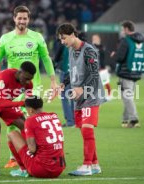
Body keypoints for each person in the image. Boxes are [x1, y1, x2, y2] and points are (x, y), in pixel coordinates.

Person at [0, 5, 58, 168]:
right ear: (14, 19)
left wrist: (53, 81)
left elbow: (46, 59)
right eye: (19, 18)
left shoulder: (37, 37)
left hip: (34, 86)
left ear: (29, 19)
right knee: (12, 120)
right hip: (12, 88)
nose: (22, 21)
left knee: (33, 119)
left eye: (25, 18)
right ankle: (15, 157)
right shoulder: (5, 38)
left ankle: (38, 153)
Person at [56, 23, 106, 176]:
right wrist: (63, 85)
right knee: (84, 131)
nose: (62, 42)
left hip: (91, 95)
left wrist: (83, 89)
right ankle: (95, 164)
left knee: (87, 129)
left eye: (63, 38)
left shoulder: (89, 50)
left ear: (72, 34)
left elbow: (94, 74)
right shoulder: (71, 50)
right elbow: (72, 73)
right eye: (60, 39)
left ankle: (87, 166)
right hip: (79, 97)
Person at [0, 61, 36, 177]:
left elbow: (28, 102)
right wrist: (22, 103)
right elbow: (0, 103)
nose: (27, 82)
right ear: (20, 72)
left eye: (29, 79)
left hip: (8, 103)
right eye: (26, 78)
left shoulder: (28, 84)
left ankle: (24, 167)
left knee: (25, 125)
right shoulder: (4, 76)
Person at [7, 95, 66, 178]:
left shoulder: (30, 120)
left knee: (12, 134)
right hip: (59, 168)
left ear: (30, 110)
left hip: (41, 170)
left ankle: (23, 170)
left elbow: (32, 149)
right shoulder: (54, 116)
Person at [110, 20, 144, 128]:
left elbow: (120, 58)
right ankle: (125, 120)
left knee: (127, 97)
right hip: (137, 71)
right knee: (127, 96)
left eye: (122, 29)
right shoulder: (141, 41)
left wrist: (114, 55)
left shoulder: (126, 40)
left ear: (126, 29)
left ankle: (134, 119)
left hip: (126, 72)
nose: (122, 31)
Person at [54, 43, 75, 127]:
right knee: (73, 96)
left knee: (64, 97)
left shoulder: (63, 45)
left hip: (65, 72)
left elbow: (56, 58)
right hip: (75, 73)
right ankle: (75, 120)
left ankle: (70, 121)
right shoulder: (77, 45)